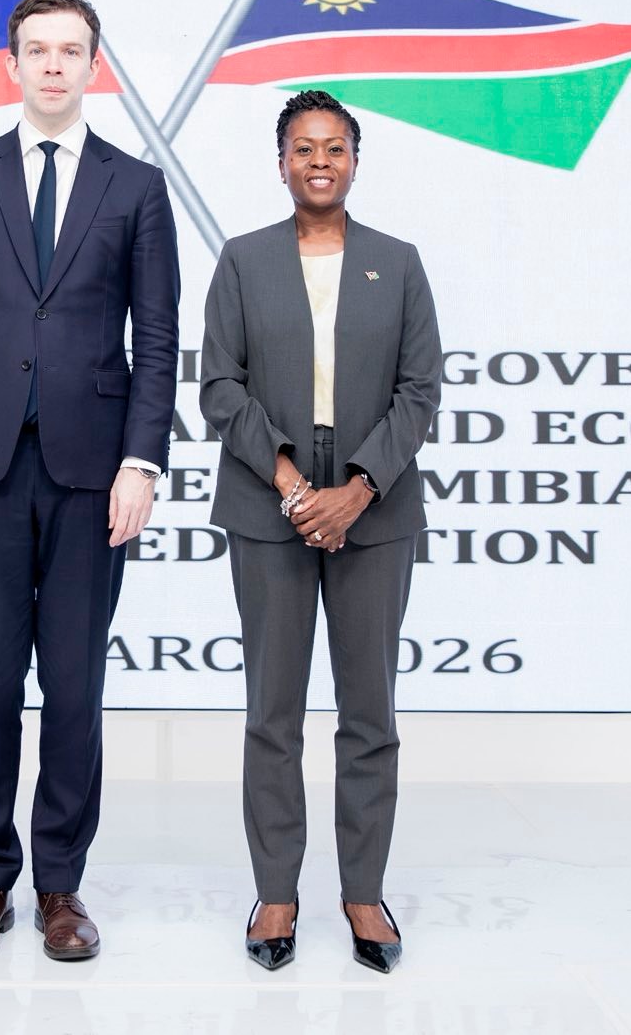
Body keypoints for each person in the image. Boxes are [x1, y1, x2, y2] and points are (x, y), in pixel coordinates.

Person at [0, 0, 179, 961]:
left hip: (92, 472)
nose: (54, 64)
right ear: (10, 65)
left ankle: (61, 885)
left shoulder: (136, 187)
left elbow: (157, 339)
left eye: (71, 50)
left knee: (72, 683)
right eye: (38, 49)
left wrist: (141, 459)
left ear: (95, 67)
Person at [199, 89, 441, 973]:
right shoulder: (243, 260)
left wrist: (359, 490)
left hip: (377, 509)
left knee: (369, 711)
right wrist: (296, 486)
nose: (319, 162)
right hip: (270, 505)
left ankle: (362, 891)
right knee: (273, 711)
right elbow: (219, 385)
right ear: (281, 164)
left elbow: (420, 390)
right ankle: (277, 890)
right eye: (303, 148)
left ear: (354, 161)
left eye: (334, 147)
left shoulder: (398, 263)